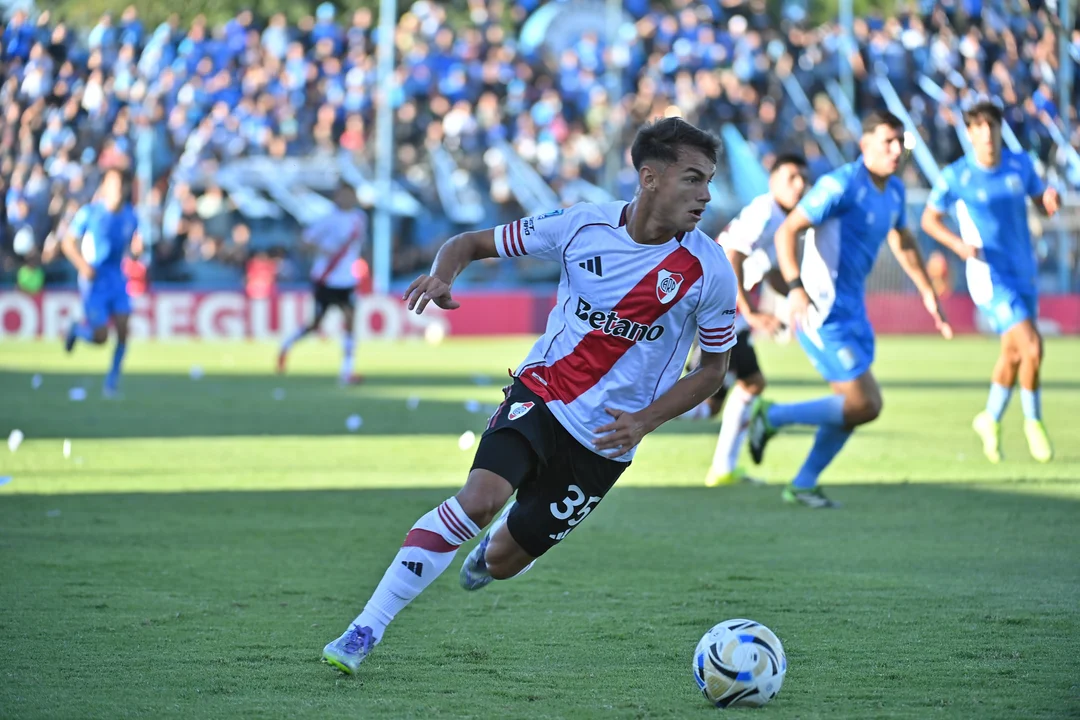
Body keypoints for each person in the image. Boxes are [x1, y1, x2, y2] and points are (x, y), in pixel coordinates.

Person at [321, 117, 739, 674]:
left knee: (503, 561)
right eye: (693, 179)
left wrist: (644, 421)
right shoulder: (580, 226)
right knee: (479, 499)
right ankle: (364, 629)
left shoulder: (710, 270)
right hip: (542, 393)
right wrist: (443, 275)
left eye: (709, 180)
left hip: (607, 438)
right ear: (649, 178)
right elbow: (467, 243)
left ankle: (492, 550)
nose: (706, 195)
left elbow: (712, 371)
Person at [746, 111, 953, 508]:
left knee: (853, 407)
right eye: (887, 142)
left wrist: (927, 290)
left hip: (852, 312)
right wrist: (796, 288)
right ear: (865, 145)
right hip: (820, 313)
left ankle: (803, 483)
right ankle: (773, 417)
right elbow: (789, 230)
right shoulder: (840, 184)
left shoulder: (894, 192)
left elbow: (903, 240)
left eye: (900, 142)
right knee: (866, 403)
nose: (897, 150)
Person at [921, 101, 1059, 463]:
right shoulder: (957, 176)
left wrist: (1049, 201)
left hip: (1023, 271)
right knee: (1032, 347)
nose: (987, 134)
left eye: (992, 126)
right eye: (979, 128)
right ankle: (1033, 422)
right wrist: (956, 245)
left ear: (1000, 130)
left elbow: (1041, 204)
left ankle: (989, 419)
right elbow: (929, 220)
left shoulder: (1020, 164)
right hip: (988, 275)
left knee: (1013, 354)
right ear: (969, 134)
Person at [693, 153, 809, 488]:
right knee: (746, 384)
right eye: (791, 178)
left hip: (725, 307)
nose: (799, 186)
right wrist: (750, 312)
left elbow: (770, 271)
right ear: (773, 181)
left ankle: (722, 469)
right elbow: (733, 256)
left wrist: (799, 294)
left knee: (715, 400)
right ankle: (633, 405)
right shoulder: (765, 211)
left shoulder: (784, 219)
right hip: (720, 305)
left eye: (804, 179)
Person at [277, 182, 367, 385]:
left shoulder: (360, 218)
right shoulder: (327, 219)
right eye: (343, 195)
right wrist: (323, 250)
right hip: (326, 278)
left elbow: (357, 247)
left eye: (350, 195)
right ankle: (287, 344)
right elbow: (305, 242)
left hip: (347, 279)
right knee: (316, 324)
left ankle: (347, 370)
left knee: (350, 319)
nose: (347, 199)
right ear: (337, 197)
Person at [62, 168, 141, 397]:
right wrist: (83, 266)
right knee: (101, 337)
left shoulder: (131, 216)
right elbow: (67, 243)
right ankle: (78, 330)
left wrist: (136, 252)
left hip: (116, 277)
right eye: (113, 183)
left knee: (124, 329)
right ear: (105, 187)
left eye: (121, 184)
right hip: (94, 279)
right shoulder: (89, 213)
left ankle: (112, 381)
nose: (118, 188)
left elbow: (132, 249)